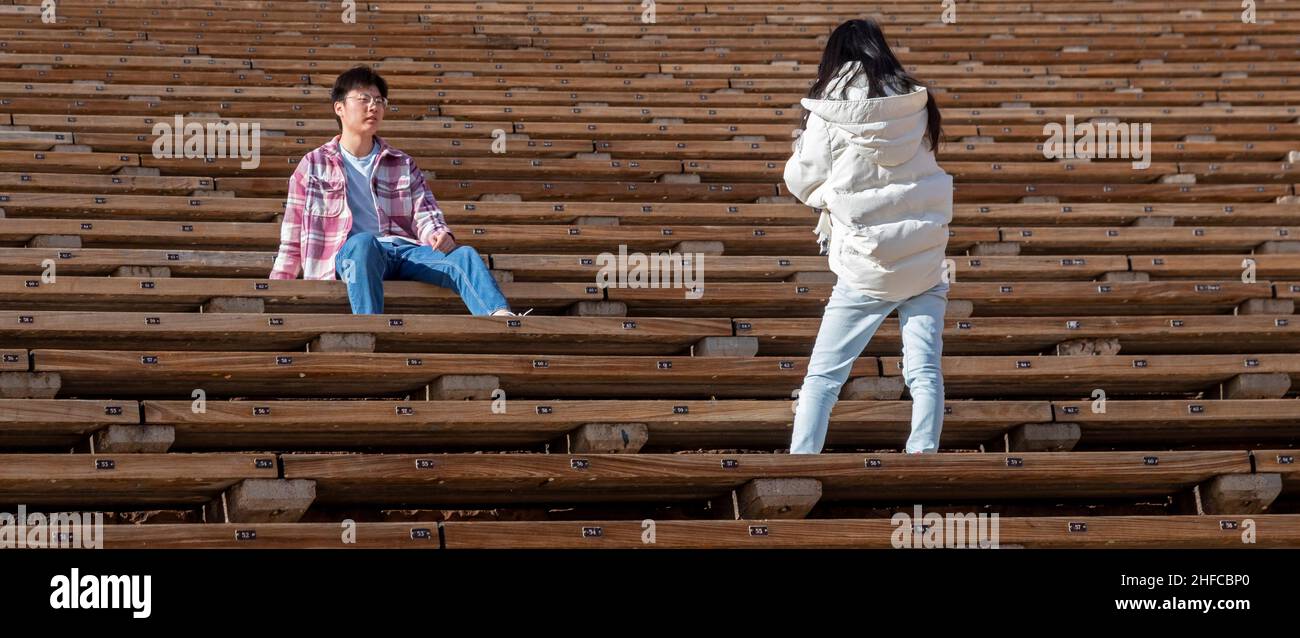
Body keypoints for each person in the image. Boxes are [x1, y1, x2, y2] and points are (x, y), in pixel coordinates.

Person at [783, 18, 953, 454]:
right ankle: (923, 453)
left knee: (824, 375)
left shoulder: (828, 108)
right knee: (925, 370)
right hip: (924, 253)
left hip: (865, 259)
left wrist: (832, 198)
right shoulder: (917, 103)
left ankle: (802, 459)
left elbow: (802, 180)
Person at [270, 65, 524, 317]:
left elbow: (425, 211)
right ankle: (370, 327)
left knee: (464, 255)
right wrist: (279, 287)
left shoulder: (401, 162)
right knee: (363, 244)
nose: (373, 107)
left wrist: (438, 233)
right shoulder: (313, 164)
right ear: (339, 108)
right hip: (353, 256)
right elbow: (293, 234)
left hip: (402, 252)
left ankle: (501, 319)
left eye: (379, 101)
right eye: (364, 99)